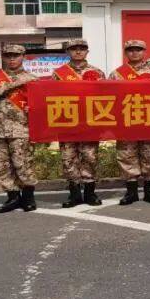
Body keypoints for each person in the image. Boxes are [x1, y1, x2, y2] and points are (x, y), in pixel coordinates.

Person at [0, 44, 38, 213]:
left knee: (23, 163)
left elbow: (40, 104)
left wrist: (32, 108)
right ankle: (12, 197)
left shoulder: (32, 79)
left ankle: (28, 197)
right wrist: (10, 85)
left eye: (16, 55)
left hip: (21, 128)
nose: (12, 59)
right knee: (2, 165)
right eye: (8, 55)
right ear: (3, 57)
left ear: (23, 57)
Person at [109, 39, 150, 204]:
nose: (134, 53)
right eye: (131, 50)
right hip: (126, 121)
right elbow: (109, 97)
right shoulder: (117, 74)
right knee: (127, 156)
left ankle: (149, 191)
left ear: (144, 52)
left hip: (148, 120)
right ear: (126, 52)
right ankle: (131, 192)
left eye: (138, 50)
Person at [53, 39, 105, 207]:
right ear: (68, 52)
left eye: (82, 48)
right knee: (68, 158)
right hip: (67, 121)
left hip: (89, 122)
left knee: (90, 157)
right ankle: (74, 194)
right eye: (74, 49)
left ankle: (90, 193)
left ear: (87, 51)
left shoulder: (97, 72)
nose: (78, 51)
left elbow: (105, 97)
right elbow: (50, 96)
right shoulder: (59, 74)